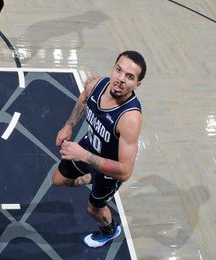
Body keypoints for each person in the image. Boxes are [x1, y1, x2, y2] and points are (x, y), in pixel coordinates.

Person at [52, 51, 146, 248]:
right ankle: (90, 177)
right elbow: (84, 98)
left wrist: (84, 156)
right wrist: (69, 124)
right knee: (58, 180)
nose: (120, 79)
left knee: (93, 210)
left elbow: (126, 171)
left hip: (109, 170)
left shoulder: (130, 118)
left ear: (137, 84)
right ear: (113, 67)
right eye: (119, 70)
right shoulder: (96, 84)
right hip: (89, 146)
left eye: (130, 77)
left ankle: (110, 230)